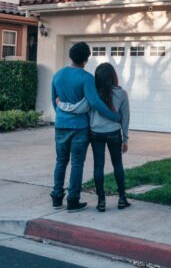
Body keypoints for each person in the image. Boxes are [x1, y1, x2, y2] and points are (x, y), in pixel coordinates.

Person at [51, 42, 122, 213]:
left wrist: (62, 117)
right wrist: (114, 116)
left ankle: (56, 198)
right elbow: (95, 102)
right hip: (79, 128)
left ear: (71, 56)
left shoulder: (57, 75)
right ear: (86, 59)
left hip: (61, 125)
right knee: (77, 163)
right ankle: (73, 201)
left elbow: (54, 101)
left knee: (60, 162)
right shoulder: (86, 78)